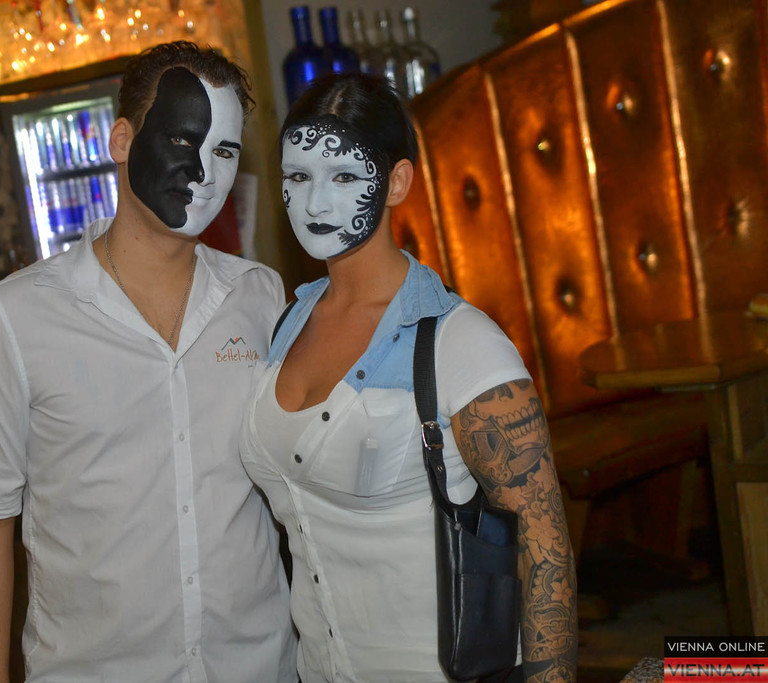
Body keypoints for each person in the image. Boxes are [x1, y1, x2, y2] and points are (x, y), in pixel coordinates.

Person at [0, 41, 297, 682]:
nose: (204, 172)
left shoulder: (260, 296)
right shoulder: (12, 318)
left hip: (259, 666)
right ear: (121, 140)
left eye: (225, 151)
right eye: (182, 139)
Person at [240, 72, 578, 682]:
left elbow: (545, 551)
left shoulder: (460, 343)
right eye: (299, 177)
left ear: (397, 182)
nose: (316, 203)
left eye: (344, 177)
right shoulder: (285, 323)